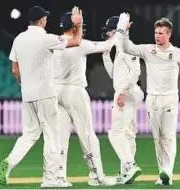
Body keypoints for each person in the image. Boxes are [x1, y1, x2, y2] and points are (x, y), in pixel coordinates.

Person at [0, 6, 83, 188]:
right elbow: (75, 41)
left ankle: (9, 163)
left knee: (29, 134)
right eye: (45, 19)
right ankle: (50, 179)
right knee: (52, 136)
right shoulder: (46, 38)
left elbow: (14, 69)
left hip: (27, 95)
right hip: (45, 94)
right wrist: (79, 24)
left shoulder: (19, 39)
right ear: (42, 20)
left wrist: (23, 84)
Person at [116, 14, 180, 185]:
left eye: (161, 33)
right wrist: (124, 32)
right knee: (158, 139)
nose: (157, 36)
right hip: (152, 99)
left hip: (170, 98)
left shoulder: (177, 53)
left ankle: (167, 171)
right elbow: (126, 48)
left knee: (168, 136)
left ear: (169, 34)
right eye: (156, 32)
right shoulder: (148, 50)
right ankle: (163, 175)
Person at [53, 11, 117, 186]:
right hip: (75, 92)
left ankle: (58, 177)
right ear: (74, 27)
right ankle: (96, 176)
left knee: (59, 138)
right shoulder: (80, 44)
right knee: (87, 134)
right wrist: (120, 31)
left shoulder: (53, 42)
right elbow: (107, 45)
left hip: (55, 92)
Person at [101, 16, 144, 184]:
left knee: (115, 133)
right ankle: (126, 173)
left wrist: (122, 92)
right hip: (129, 91)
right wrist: (106, 57)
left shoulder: (126, 47)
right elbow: (114, 76)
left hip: (127, 91)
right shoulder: (120, 48)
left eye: (110, 31)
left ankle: (129, 165)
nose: (107, 35)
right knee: (128, 133)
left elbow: (136, 72)